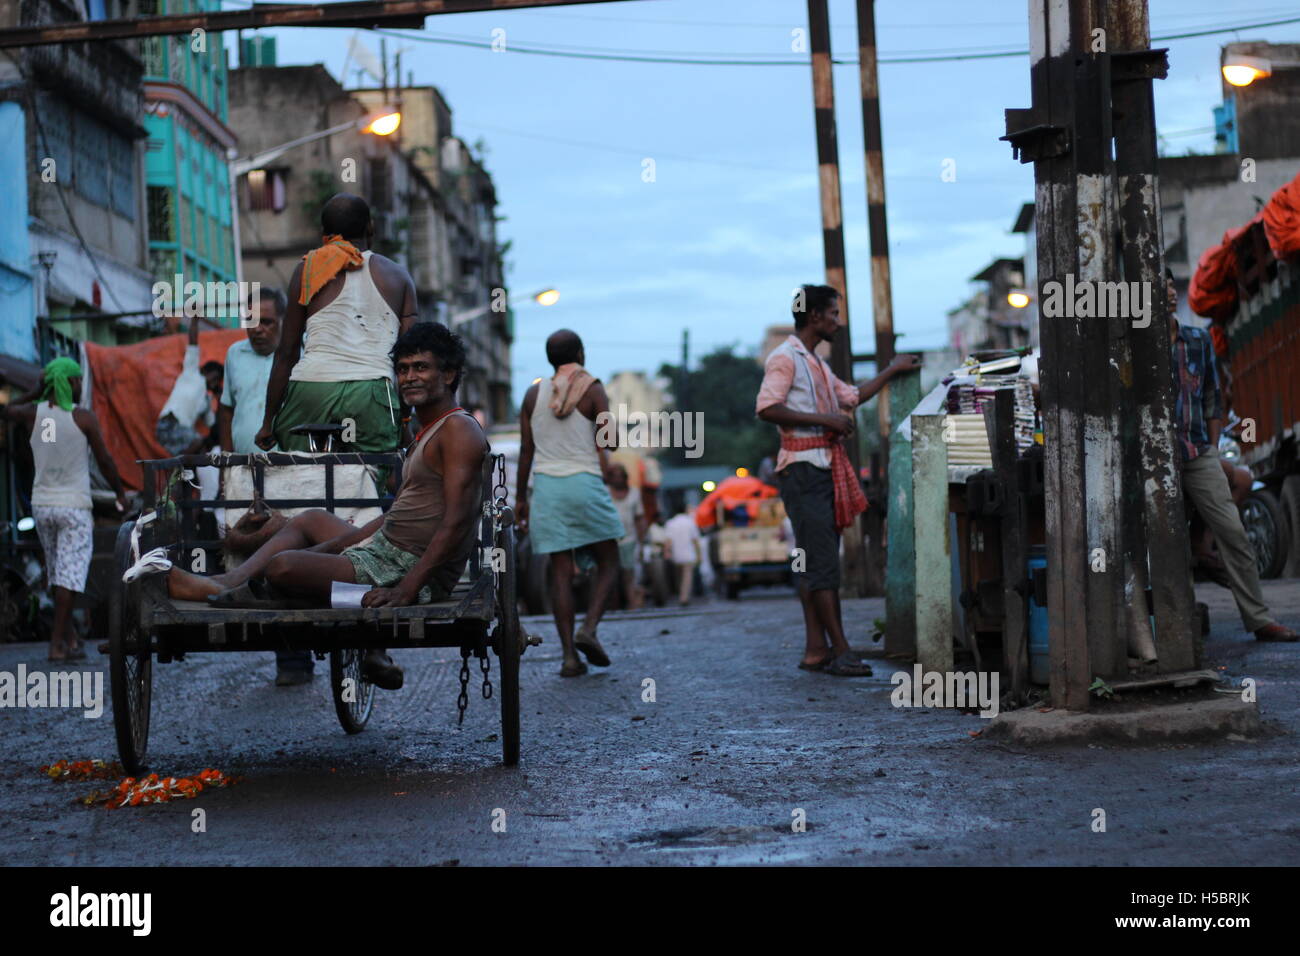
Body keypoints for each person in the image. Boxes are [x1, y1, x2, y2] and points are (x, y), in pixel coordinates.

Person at [167, 322, 488, 688]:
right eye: (403, 369)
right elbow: (395, 516)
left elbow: (457, 522)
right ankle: (227, 581)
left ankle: (354, 598)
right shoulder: (426, 432)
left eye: (421, 368)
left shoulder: (459, 431)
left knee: (283, 567)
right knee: (312, 520)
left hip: (410, 571)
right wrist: (334, 546)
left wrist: (407, 590)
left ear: (448, 375)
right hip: (388, 553)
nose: (409, 378)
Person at [756, 284, 921, 675]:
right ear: (815, 316)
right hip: (802, 468)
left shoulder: (815, 362)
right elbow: (767, 408)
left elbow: (851, 397)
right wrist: (824, 420)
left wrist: (892, 369)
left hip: (819, 467)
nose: (837, 321)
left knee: (815, 561)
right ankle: (842, 649)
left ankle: (817, 649)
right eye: (833, 313)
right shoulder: (785, 359)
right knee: (823, 564)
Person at [1166, 274, 1296, 642]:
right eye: (1159, 288)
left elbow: (1211, 395)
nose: (1170, 293)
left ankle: (1259, 619)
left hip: (1195, 451)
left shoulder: (1197, 340)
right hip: (1154, 460)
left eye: (1171, 287)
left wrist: (1208, 445)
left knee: (1234, 533)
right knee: (1157, 541)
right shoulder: (1138, 347)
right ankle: (1171, 624)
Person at [256, 193, 418, 455]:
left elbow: (286, 352)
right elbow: (408, 357)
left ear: (324, 233)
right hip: (373, 392)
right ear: (370, 227)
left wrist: (268, 422)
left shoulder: (307, 270)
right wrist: (404, 421)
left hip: (311, 389)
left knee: (303, 477)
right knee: (370, 479)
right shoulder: (399, 277)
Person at [219, 285, 316, 685]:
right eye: (251, 322)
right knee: (242, 551)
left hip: (291, 469)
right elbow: (226, 408)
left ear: (285, 324)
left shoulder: (304, 352)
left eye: (268, 322)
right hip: (243, 473)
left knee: (286, 555)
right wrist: (226, 464)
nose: (257, 330)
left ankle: (294, 656)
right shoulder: (233, 355)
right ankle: (267, 638)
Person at [0, 358, 128, 661]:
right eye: (77, 379)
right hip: (73, 508)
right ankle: (57, 643)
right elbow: (106, 461)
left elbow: (5, 410)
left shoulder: (38, 416)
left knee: (58, 573)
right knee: (70, 577)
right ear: (69, 382)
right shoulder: (82, 418)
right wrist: (120, 493)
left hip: (42, 507)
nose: (80, 384)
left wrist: (34, 393)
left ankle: (70, 639)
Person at [516, 329, 625, 677]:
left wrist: (520, 498)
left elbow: (526, 452)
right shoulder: (592, 388)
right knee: (610, 561)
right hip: (584, 485)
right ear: (580, 352)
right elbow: (610, 441)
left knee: (560, 574)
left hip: (546, 489)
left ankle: (568, 658)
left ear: (550, 358)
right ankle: (589, 628)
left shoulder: (533, 395)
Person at [157, 314, 219, 456]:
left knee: (204, 448)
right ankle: (178, 468)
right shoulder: (192, 373)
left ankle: (184, 475)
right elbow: (192, 344)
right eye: (214, 377)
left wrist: (218, 395)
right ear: (205, 371)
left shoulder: (207, 402)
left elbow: (213, 424)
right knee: (198, 443)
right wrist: (195, 321)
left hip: (183, 432)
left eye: (217, 380)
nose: (214, 382)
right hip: (169, 424)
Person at [607, 462, 647, 610]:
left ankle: (632, 604)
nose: (617, 479)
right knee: (610, 574)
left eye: (620, 476)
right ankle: (613, 606)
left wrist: (642, 542)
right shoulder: (604, 492)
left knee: (628, 573)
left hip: (629, 539)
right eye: (614, 476)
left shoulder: (634, 493)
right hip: (609, 539)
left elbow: (639, 518)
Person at [664, 506, 702, 606]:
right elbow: (695, 540)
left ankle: (680, 594)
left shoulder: (670, 523)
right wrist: (699, 555)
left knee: (679, 577)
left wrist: (667, 552)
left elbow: (668, 541)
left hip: (676, 555)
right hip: (688, 554)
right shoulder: (690, 522)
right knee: (687, 577)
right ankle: (684, 597)